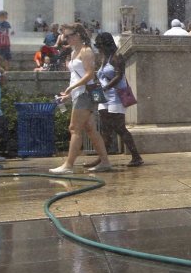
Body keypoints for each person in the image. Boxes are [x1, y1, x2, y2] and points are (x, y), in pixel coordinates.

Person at [50, 23, 112, 174]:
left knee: (74, 128)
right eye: (64, 36)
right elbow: (74, 76)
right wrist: (68, 94)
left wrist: (71, 89)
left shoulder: (86, 51)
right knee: (90, 129)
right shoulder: (73, 52)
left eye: (68, 36)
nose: (65, 39)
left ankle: (68, 165)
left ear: (78, 35)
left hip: (85, 94)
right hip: (79, 93)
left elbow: (90, 74)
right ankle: (105, 162)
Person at [93, 32, 144, 168]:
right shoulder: (102, 58)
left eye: (100, 45)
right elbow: (99, 76)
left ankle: (136, 156)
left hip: (115, 97)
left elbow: (119, 75)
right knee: (105, 130)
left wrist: (106, 87)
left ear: (106, 44)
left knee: (120, 128)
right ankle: (103, 159)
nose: (98, 48)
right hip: (104, 98)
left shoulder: (117, 57)